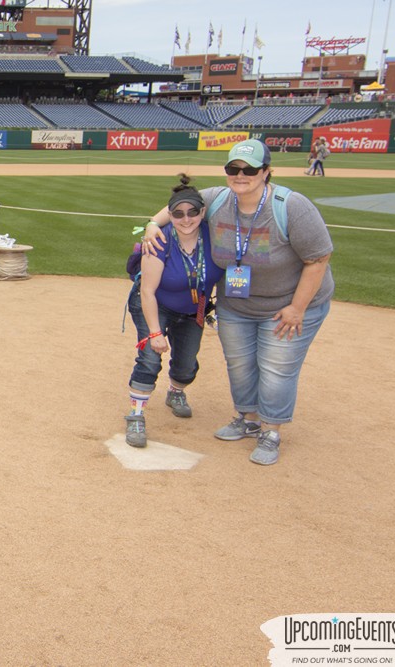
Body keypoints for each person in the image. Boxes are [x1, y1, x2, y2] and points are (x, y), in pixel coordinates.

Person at [144, 139, 333, 465]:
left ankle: (270, 431)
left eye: (250, 169)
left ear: (266, 172)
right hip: (237, 303)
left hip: (288, 304)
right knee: (241, 365)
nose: (240, 174)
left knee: (276, 370)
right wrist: (151, 223)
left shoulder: (291, 207)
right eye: (234, 168)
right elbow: (181, 202)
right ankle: (248, 419)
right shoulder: (217, 199)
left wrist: (297, 308)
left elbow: (318, 259)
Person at [124, 175, 224, 448]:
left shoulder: (214, 236)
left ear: (203, 212)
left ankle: (175, 391)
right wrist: (155, 332)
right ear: (170, 215)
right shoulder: (158, 240)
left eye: (193, 212)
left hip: (194, 309)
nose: (186, 219)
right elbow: (147, 292)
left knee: (186, 365)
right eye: (178, 214)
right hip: (155, 304)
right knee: (150, 357)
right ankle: (136, 416)